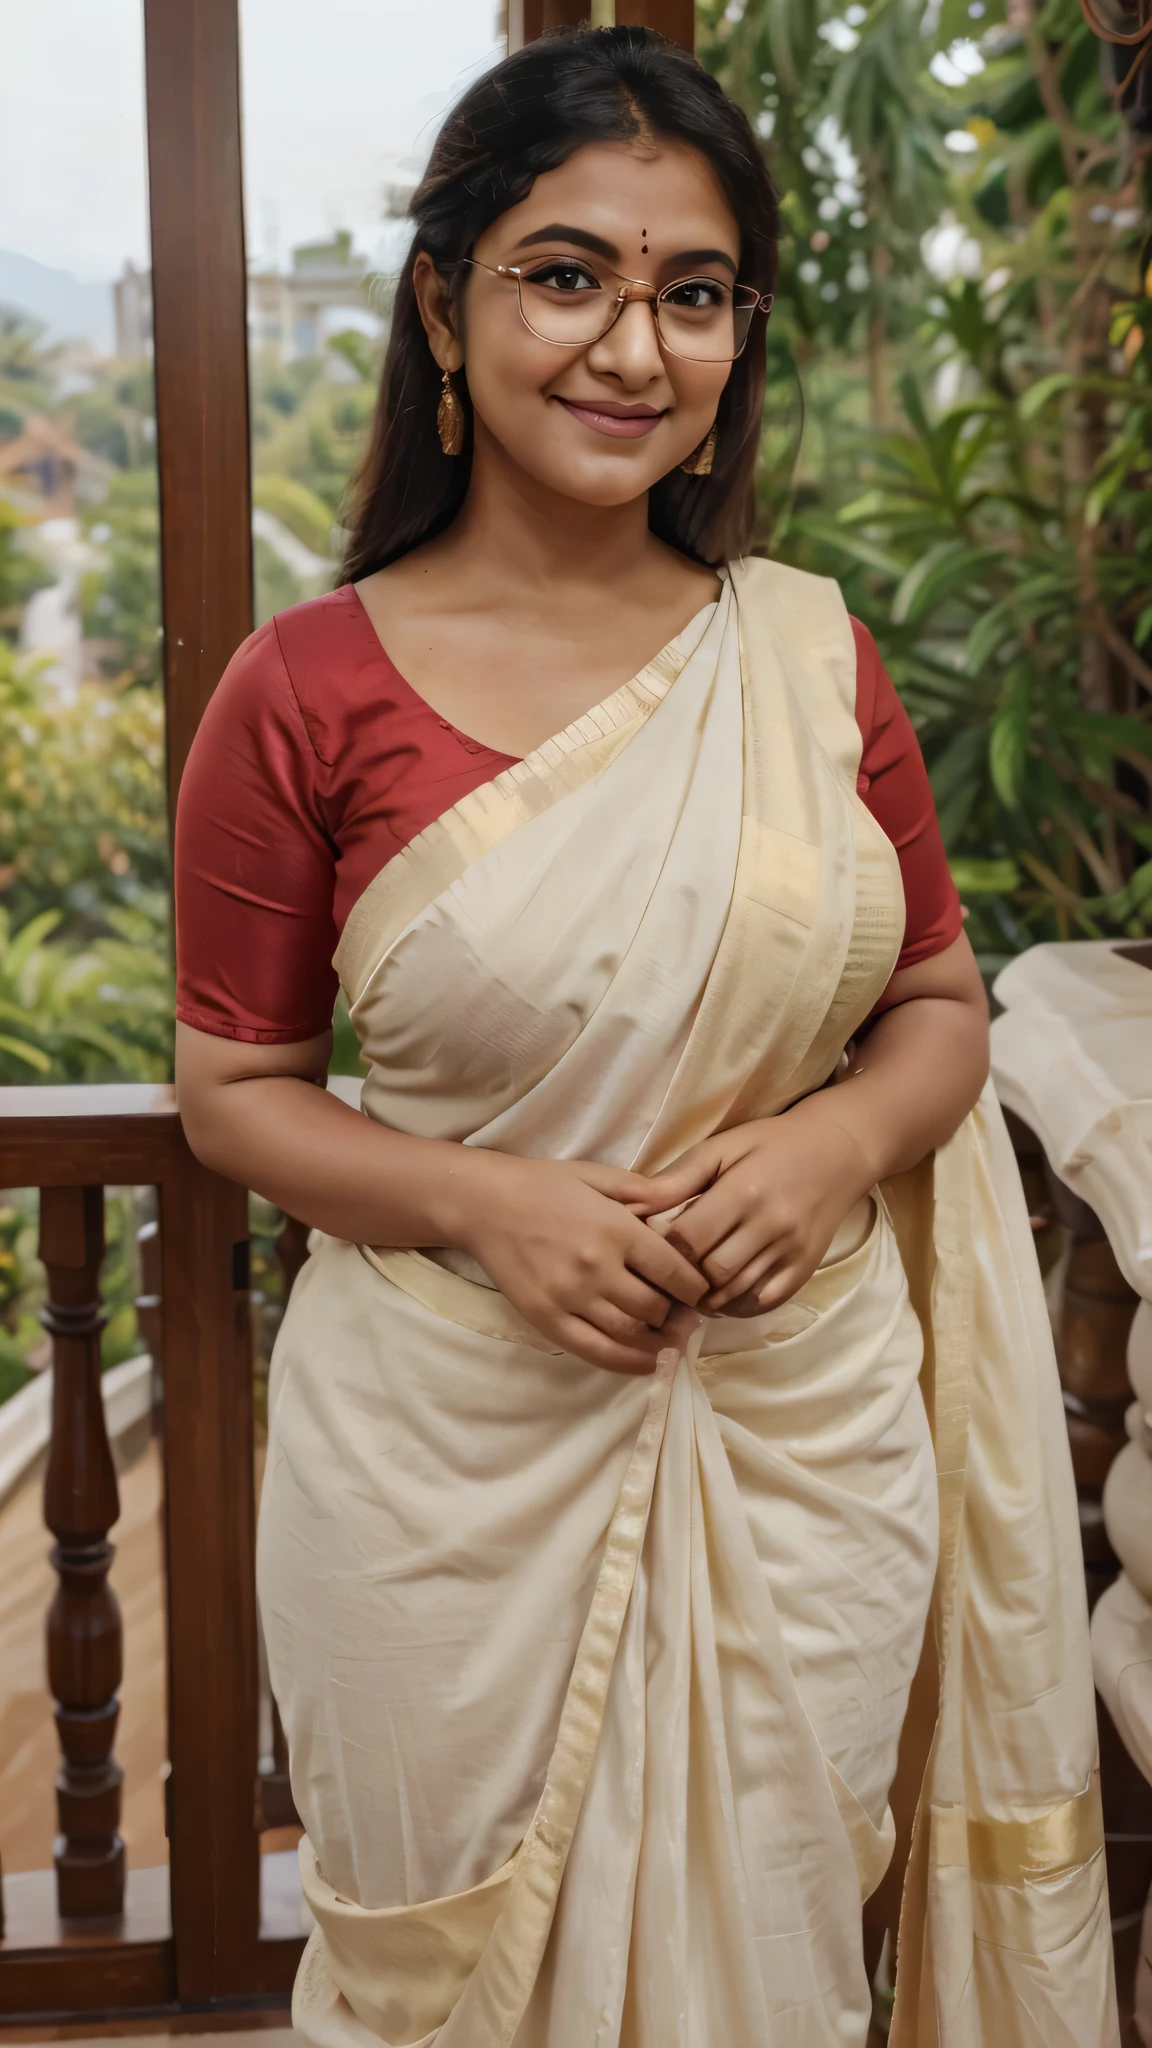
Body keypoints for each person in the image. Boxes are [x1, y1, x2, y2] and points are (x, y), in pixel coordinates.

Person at [174, 26, 1116, 2046]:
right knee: (437, 1962)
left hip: (802, 1439)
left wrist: (828, 1148)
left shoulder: (805, 653)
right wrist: (484, 1205)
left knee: (780, 1943)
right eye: (565, 272)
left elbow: (936, 1002)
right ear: (446, 301)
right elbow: (233, 1090)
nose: (631, 345)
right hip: (438, 1470)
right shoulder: (304, 686)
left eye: (693, 293)